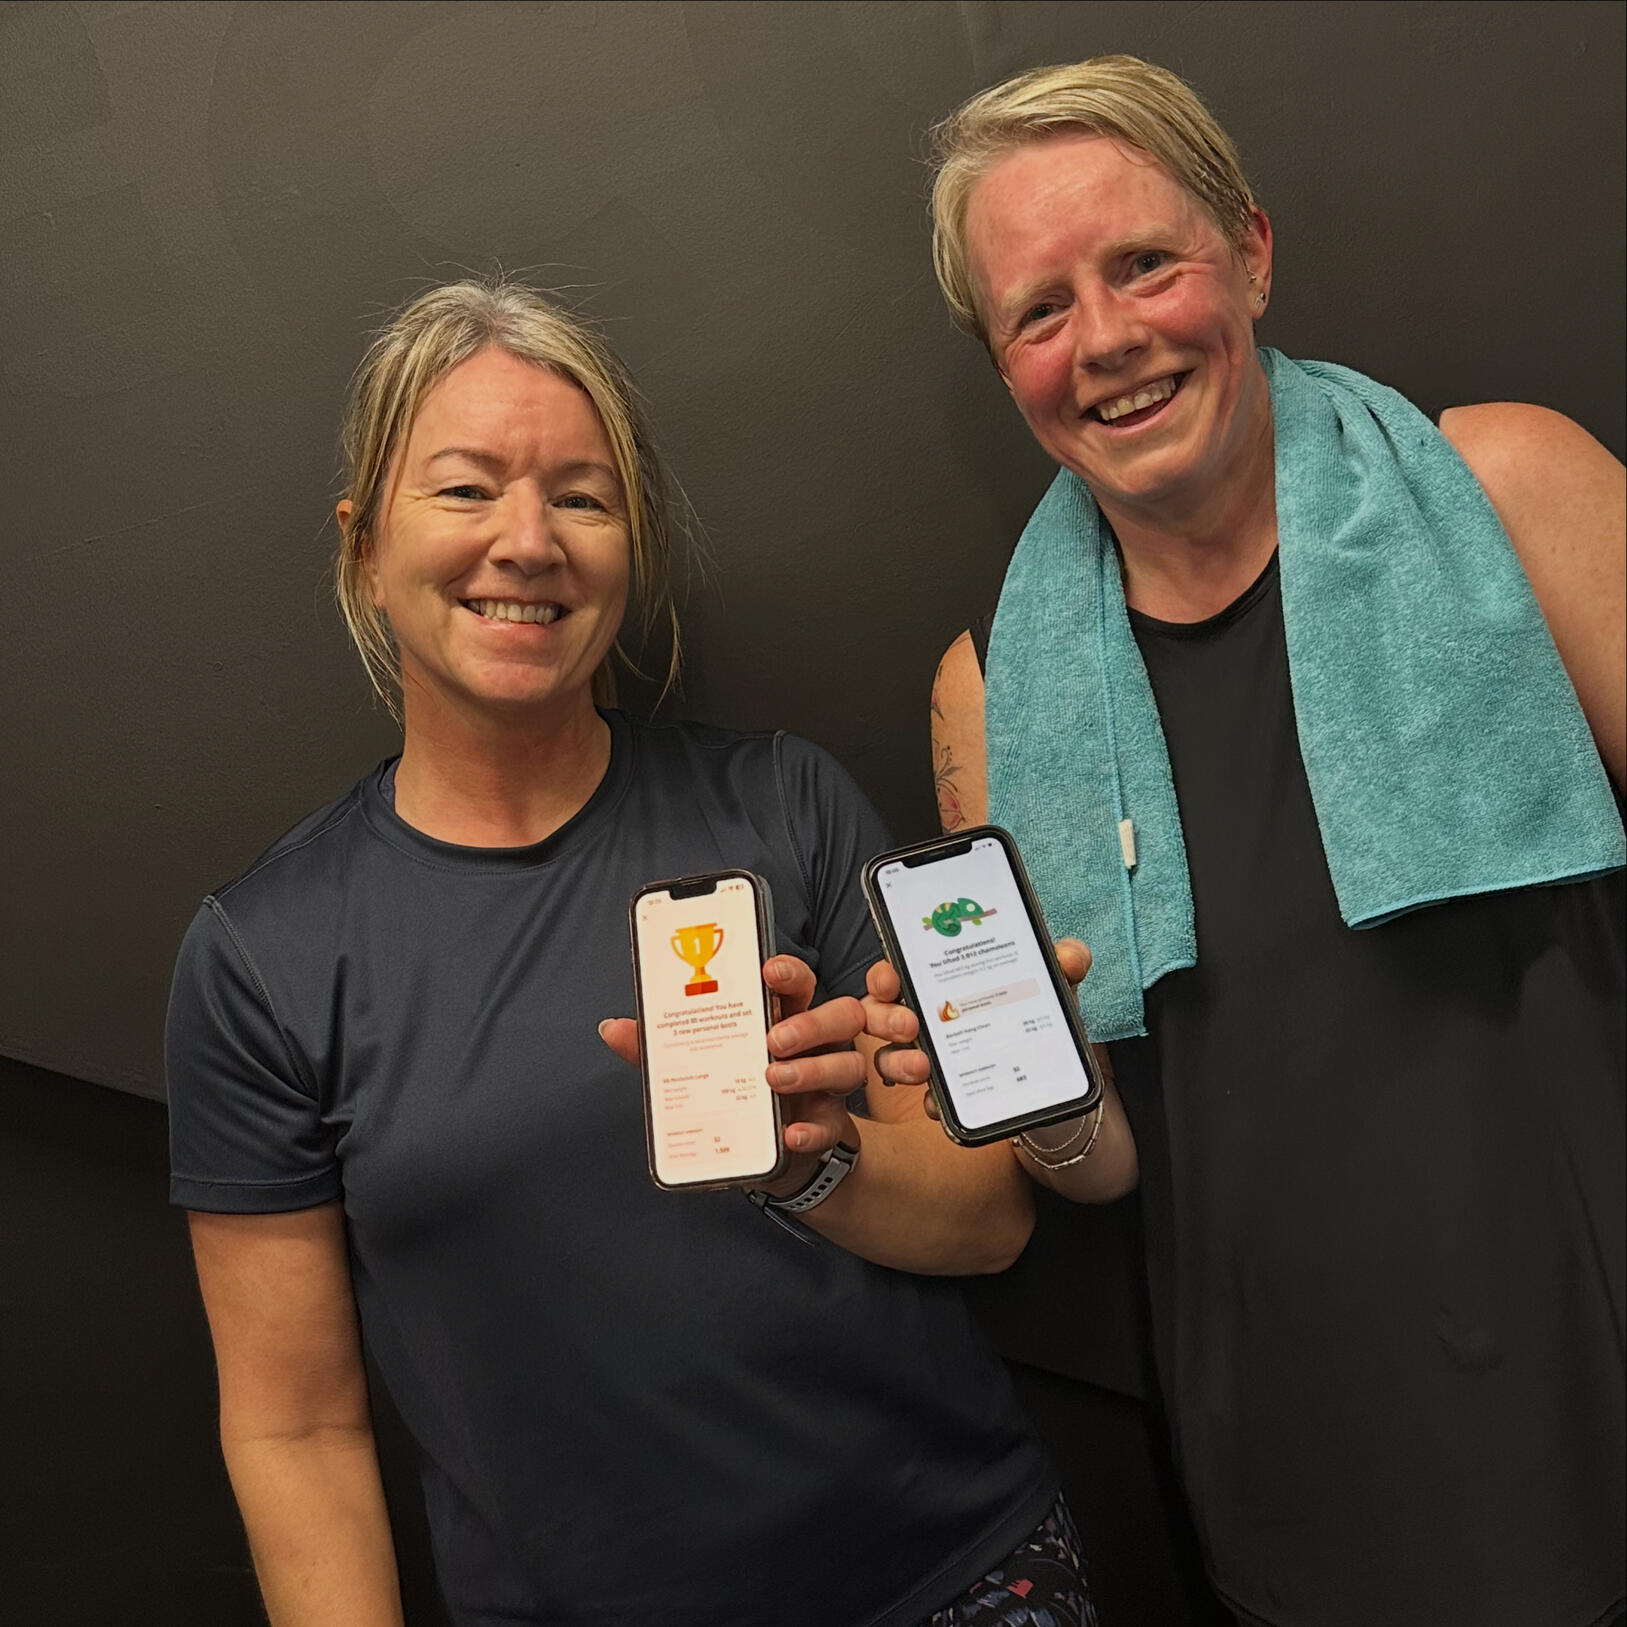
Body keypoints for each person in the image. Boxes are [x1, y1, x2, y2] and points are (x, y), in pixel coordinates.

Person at [165, 280, 1097, 1626]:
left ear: (632, 544)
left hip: (955, 1580)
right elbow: (294, 1430)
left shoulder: (784, 802)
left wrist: (814, 1162)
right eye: (466, 490)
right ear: (364, 546)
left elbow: (992, 1222)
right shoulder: (265, 957)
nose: (528, 542)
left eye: (582, 498)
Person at [870, 54, 1625, 1627]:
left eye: (1145, 262)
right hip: (1297, 1481)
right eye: (1040, 308)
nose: (1107, 338)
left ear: (1254, 252)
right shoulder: (991, 695)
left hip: (1595, 1396)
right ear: (1002, 362)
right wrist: (1019, 1081)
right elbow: (1103, 1171)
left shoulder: (1508, 487)